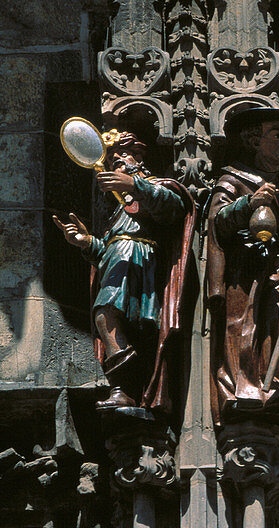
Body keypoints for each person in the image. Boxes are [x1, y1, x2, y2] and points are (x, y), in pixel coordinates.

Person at [53, 130, 194, 414]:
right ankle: (125, 388)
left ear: (140, 159)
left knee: (107, 313)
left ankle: (126, 384)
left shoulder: (157, 187)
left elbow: (173, 208)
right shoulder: (120, 206)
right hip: (117, 262)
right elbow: (107, 246)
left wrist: (134, 184)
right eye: (113, 159)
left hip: (140, 262)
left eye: (123, 156)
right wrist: (87, 242)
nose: (116, 161)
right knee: (108, 318)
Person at [206, 107, 279, 429]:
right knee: (245, 327)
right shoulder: (233, 179)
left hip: (277, 268)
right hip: (244, 272)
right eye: (278, 134)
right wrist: (249, 203)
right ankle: (245, 385)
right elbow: (218, 222)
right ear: (254, 141)